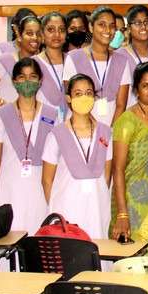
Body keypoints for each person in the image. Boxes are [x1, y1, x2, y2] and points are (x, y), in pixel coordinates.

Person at [0, 57, 56, 233]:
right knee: (7, 246)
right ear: (14, 81)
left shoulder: (52, 116)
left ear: (40, 81)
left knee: (36, 246)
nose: (27, 82)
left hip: (40, 192)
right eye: (22, 77)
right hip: (9, 191)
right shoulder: (1, 115)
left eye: (32, 77)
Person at [0, 14, 42, 194]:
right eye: (29, 33)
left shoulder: (40, 64)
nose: (35, 38)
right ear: (19, 35)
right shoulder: (5, 61)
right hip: (3, 126)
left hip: (29, 126)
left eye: (38, 33)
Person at [42, 73, 113, 239]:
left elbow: (107, 174)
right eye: (78, 94)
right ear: (68, 98)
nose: (84, 98)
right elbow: (47, 180)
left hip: (97, 207)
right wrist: (56, 206)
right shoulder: (57, 134)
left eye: (89, 93)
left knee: (97, 249)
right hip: (67, 206)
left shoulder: (105, 132)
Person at [110, 62, 148, 258]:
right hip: (130, 205)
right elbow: (117, 170)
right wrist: (122, 214)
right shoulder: (127, 121)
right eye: (146, 85)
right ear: (136, 90)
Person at [63, 6, 130, 125]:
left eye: (112, 26)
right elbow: (71, 100)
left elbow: (121, 105)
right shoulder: (73, 58)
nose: (108, 30)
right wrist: (95, 129)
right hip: (80, 125)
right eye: (102, 24)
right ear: (90, 27)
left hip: (112, 126)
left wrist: (110, 133)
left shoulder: (122, 61)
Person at [35, 12, 67, 116]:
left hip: (70, 124)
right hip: (42, 122)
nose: (57, 34)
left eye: (61, 30)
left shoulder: (73, 61)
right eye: (51, 30)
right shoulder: (33, 64)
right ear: (42, 33)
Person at [122, 5, 148, 108]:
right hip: (130, 117)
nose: (143, 27)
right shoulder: (120, 56)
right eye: (137, 23)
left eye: (147, 22)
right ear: (129, 28)